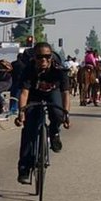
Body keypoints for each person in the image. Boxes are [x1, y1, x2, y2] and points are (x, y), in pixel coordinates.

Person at [13, 41, 71, 185]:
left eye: (47, 56)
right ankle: (24, 169)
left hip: (53, 93)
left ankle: (54, 133)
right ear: (34, 58)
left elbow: (65, 94)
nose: (43, 60)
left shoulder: (59, 70)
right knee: (29, 130)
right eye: (40, 57)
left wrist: (66, 114)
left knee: (58, 114)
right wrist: (21, 113)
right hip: (34, 95)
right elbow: (24, 93)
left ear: (51, 57)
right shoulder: (29, 69)